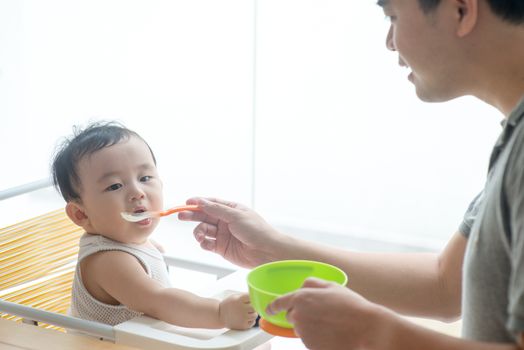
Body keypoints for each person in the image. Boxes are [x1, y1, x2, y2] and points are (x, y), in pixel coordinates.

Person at [179, 0, 524, 349]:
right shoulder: (514, 138)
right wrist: (272, 250)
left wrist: (373, 332)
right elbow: (447, 286)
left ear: (461, 10)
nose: (390, 41)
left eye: (393, 16)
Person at [51, 121, 257, 330]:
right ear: (81, 214)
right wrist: (220, 313)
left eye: (145, 177)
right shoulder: (107, 261)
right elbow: (159, 300)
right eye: (115, 186)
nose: (138, 192)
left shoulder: (129, 242)